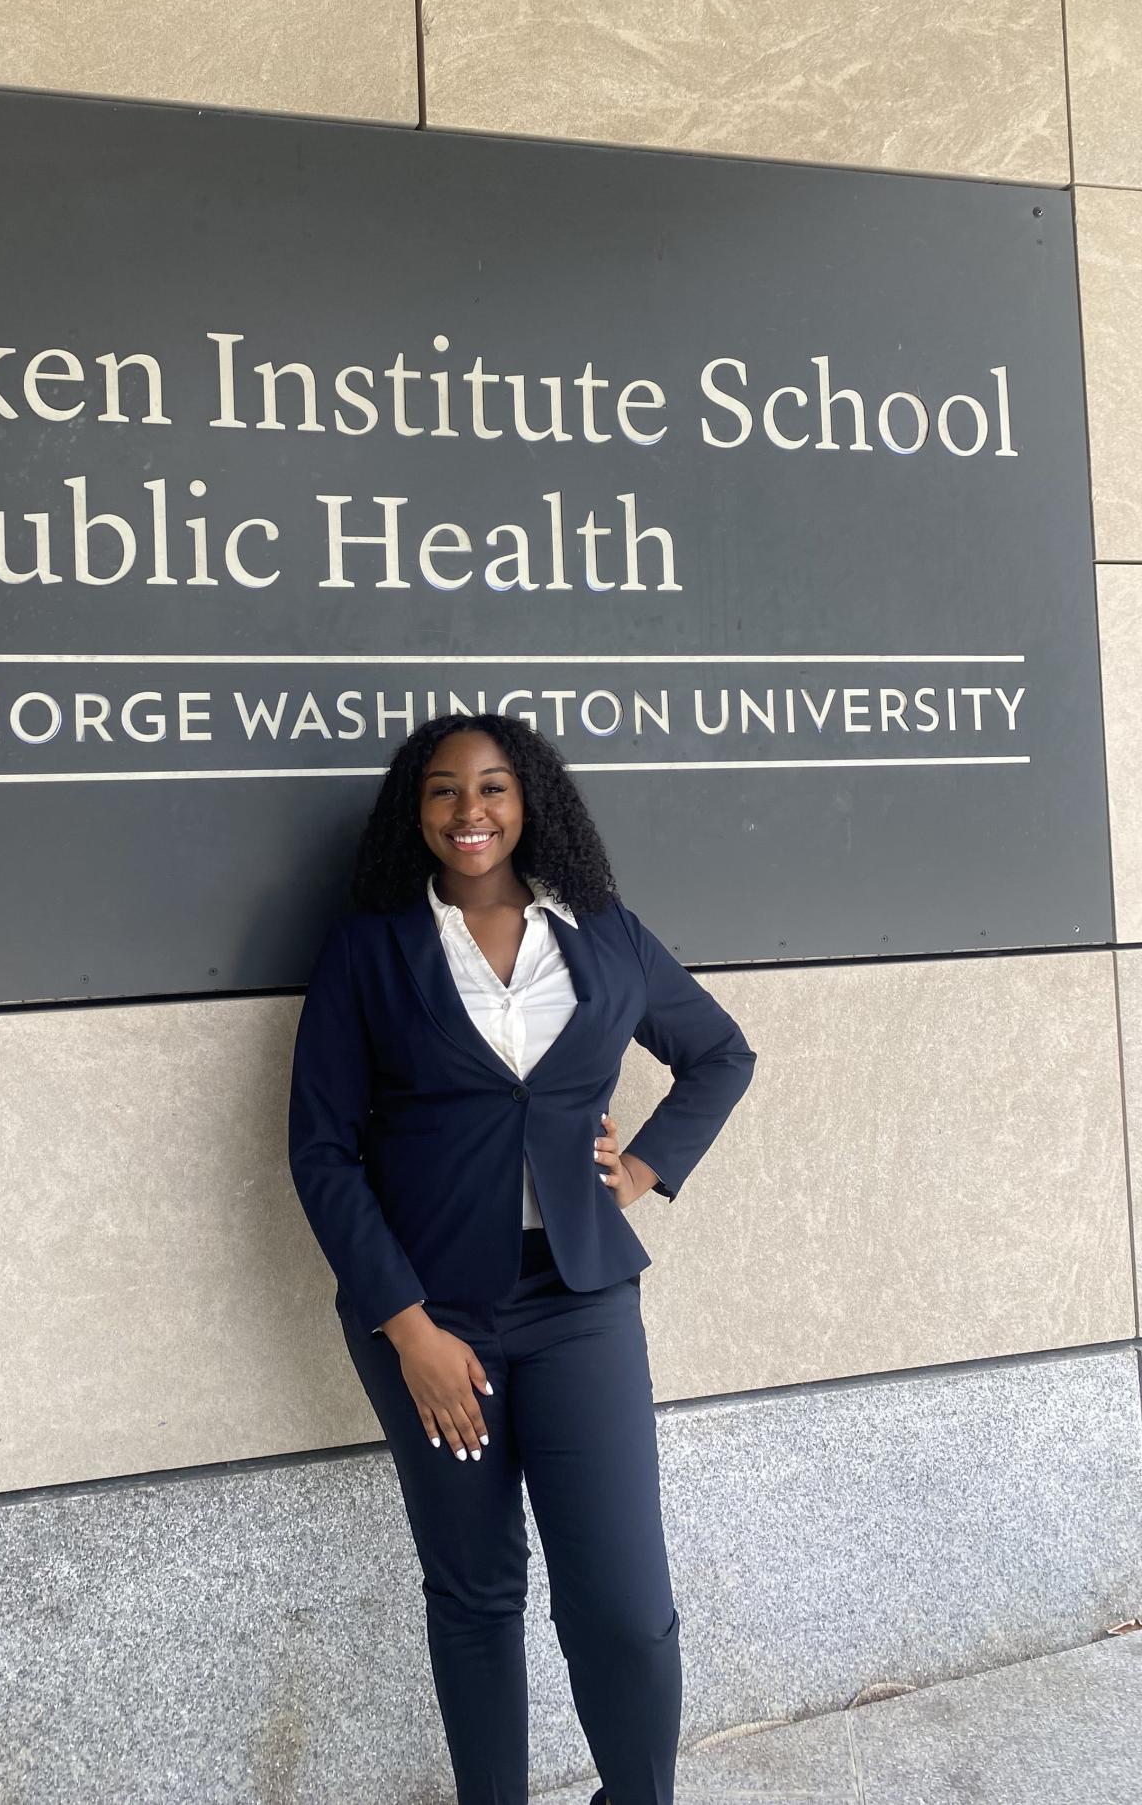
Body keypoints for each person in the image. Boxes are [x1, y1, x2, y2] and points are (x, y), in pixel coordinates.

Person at [287, 711, 757, 1805]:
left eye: (494, 787)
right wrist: (408, 1332)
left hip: (581, 1303)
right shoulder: (371, 947)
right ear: (415, 812)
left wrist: (641, 1169)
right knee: (475, 1593)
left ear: (530, 800)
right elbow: (319, 1151)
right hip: (428, 1315)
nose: (470, 812)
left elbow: (718, 1054)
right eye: (444, 790)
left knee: (624, 1603)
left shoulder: (603, 933)